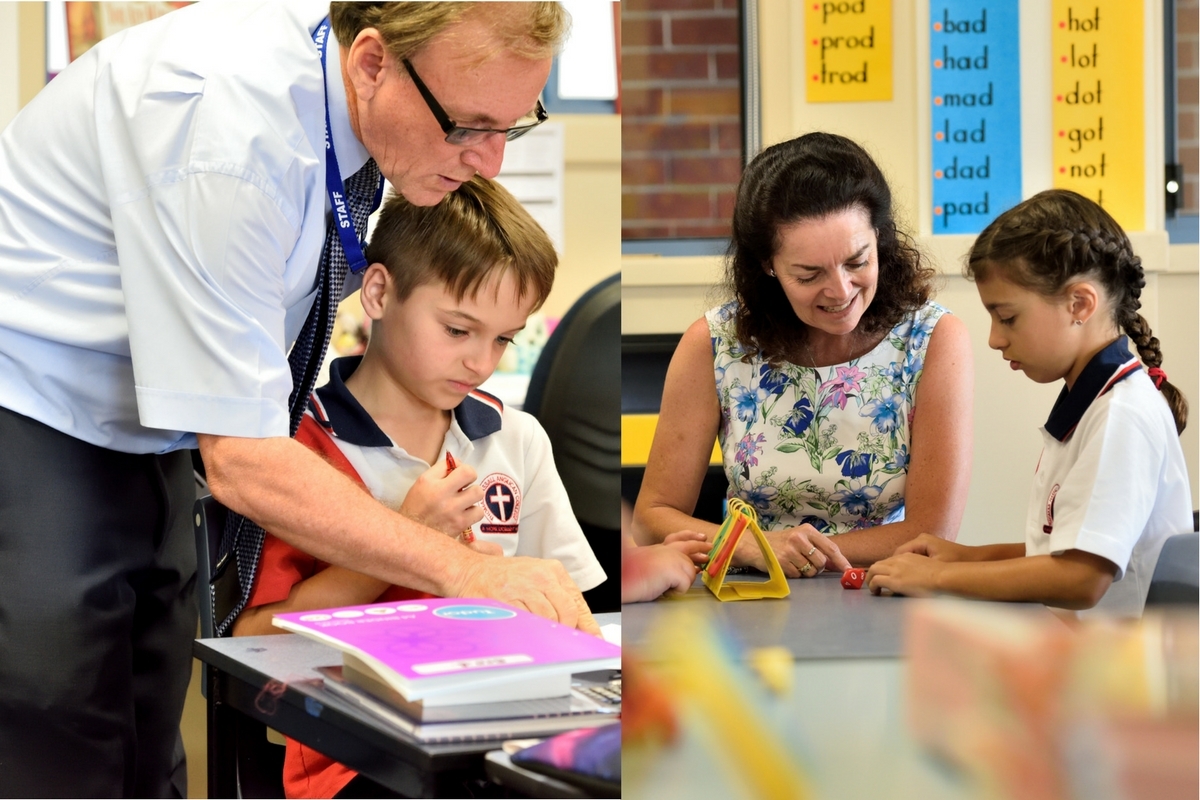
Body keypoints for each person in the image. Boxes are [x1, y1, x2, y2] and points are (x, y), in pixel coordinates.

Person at [0, 3, 596, 796]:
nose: (487, 162)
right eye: (467, 126)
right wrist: (464, 569)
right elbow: (246, 463)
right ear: (373, 64)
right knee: (64, 738)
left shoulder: (344, 87)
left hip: (152, 425)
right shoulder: (229, 139)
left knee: (149, 741)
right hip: (32, 407)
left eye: (512, 126)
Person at [231, 176, 606, 798]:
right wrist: (411, 538)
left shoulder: (517, 439)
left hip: (509, 734)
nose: (483, 362)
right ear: (377, 292)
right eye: (458, 331)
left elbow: (572, 614)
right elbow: (254, 644)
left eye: (503, 338)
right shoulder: (298, 452)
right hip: (359, 755)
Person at [633, 132, 974, 577]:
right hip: (747, 594)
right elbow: (651, 516)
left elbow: (933, 532)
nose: (840, 290)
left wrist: (794, 551)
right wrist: (750, 547)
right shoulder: (714, 343)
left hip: (881, 588)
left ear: (880, 238)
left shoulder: (932, 339)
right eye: (809, 274)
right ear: (768, 266)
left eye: (857, 261)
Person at [866, 190, 1192, 617]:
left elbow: (1080, 577)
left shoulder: (1121, 415)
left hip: (1118, 675)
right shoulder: (1092, 404)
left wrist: (937, 579)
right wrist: (963, 556)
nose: (995, 338)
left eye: (1008, 317)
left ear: (1079, 304)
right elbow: (1060, 548)